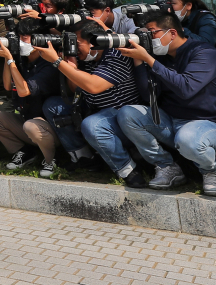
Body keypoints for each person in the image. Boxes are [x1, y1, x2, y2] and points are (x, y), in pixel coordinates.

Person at [115, 12, 216, 195]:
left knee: (187, 138)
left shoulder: (204, 52)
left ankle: (210, 171)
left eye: (152, 33)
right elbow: (148, 96)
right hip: (172, 121)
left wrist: (149, 60)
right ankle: (167, 167)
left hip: (208, 124)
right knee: (127, 114)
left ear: (172, 33)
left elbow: (186, 89)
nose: (150, 38)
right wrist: (138, 59)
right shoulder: (161, 56)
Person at [34, 20, 142, 184]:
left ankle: (128, 170)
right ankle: (84, 158)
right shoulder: (85, 56)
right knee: (53, 106)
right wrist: (71, 63)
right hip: (94, 107)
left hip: (121, 115)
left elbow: (93, 86)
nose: (75, 48)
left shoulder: (116, 54)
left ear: (94, 41)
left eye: (77, 44)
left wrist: (57, 61)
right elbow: (76, 88)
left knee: (92, 124)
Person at [0, 33, 64, 176]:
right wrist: (8, 58)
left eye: (25, 37)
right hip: (28, 122)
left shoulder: (48, 63)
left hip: (51, 129)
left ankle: (52, 159)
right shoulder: (21, 61)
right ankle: (26, 153)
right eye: (19, 37)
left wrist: (10, 59)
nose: (21, 42)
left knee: (30, 126)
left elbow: (24, 91)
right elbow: (7, 86)